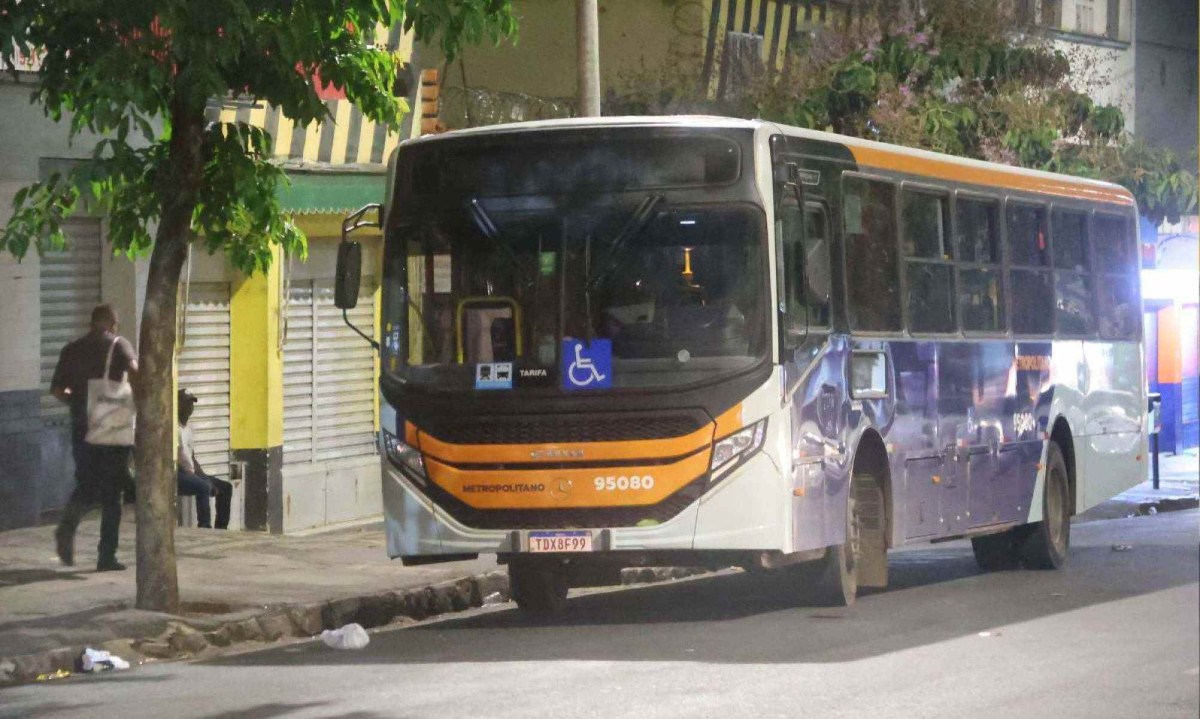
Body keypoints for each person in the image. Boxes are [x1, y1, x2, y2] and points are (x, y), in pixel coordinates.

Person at [51, 304, 137, 572]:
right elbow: (138, 375)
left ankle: (67, 526)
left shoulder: (71, 349)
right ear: (112, 323)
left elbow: (56, 390)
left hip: (81, 426)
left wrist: (80, 405)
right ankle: (106, 556)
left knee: (87, 482)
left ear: (91, 323)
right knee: (113, 493)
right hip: (111, 428)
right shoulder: (120, 346)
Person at [176, 388, 232, 529]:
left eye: (192, 403)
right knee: (203, 486)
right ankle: (204, 527)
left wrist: (203, 476)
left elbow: (192, 457)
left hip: (191, 472)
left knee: (225, 487)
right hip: (178, 473)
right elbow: (175, 460)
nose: (190, 407)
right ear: (177, 404)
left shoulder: (189, 428)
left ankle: (221, 529)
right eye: (186, 403)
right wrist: (200, 479)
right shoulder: (173, 428)